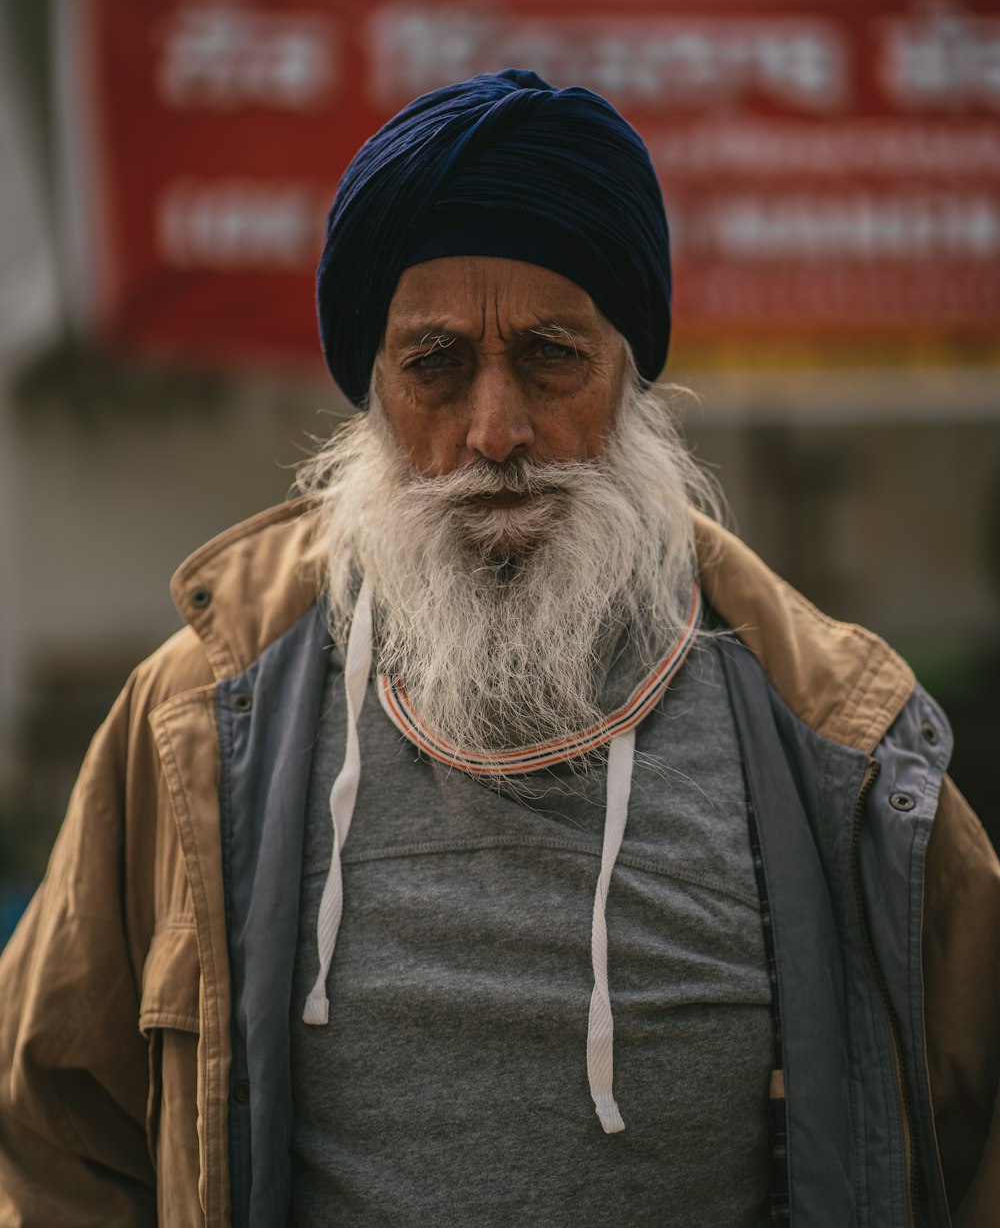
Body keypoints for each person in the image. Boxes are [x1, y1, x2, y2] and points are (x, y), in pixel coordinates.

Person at [0, 69, 997, 1228]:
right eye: (433, 365)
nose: (495, 431)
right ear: (371, 392)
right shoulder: (194, 722)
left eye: (549, 357)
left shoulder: (839, 742)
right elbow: (46, 1136)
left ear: (629, 372)